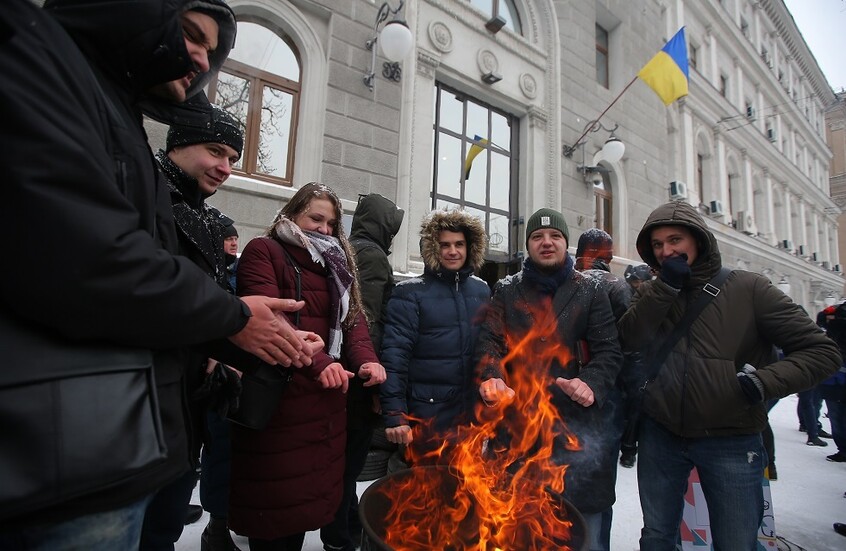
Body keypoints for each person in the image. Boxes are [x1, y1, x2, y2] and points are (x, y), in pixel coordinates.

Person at [0, 1, 313, 548]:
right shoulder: (35, 55)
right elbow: (94, 261)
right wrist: (236, 318)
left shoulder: (119, 122)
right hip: (66, 457)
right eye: (190, 34)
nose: (199, 58)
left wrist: (253, 338)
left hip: (134, 438)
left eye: (234, 157)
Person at [617, 200, 841, 550]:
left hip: (731, 439)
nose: (666, 251)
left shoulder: (749, 289)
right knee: (658, 535)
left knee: (735, 540)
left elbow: (822, 352)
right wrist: (665, 289)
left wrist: (761, 383)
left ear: (699, 240)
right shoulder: (653, 293)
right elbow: (629, 338)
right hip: (662, 435)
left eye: (675, 240)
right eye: (658, 245)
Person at [230, 183, 387, 551]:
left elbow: (354, 323)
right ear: (293, 213)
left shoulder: (337, 263)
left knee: (301, 506)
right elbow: (270, 321)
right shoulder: (264, 251)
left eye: (332, 224)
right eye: (316, 218)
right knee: (273, 509)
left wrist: (367, 361)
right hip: (280, 401)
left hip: (324, 409)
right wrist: (320, 363)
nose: (324, 230)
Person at [476, 208, 624, 551]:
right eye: (537, 237)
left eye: (554, 236)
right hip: (519, 428)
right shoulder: (507, 290)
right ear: (527, 244)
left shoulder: (589, 290)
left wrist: (591, 382)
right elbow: (489, 343)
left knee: (582, 530)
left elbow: (608, 350)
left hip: (576, 429)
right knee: (517, 529)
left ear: (566, 244)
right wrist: (493, 377)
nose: (546, 242)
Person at [147, 104, 246, 551]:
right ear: (178, 144)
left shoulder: (202, 215)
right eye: (216, 151)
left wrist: (218, 355)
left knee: (162, 531)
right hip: (135, 413)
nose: (225, 168)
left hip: (184, 413)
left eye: (232, 159)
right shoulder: (142, 192)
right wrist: (235, 320)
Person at [321, 193, 404, 551]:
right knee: (348, 466)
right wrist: (372, 385)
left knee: (341, 464)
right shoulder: (368, 254)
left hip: (349, 373)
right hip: (358, 379)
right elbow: (363, 318)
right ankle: (340, 536)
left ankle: (345, 530)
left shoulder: (356, 247)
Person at [379, 209, 491, 462]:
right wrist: (395, 413)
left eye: (459, 244)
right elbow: (394, 357)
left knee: (466, 493)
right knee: (428, 493)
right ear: (432, 248)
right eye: (445, 245)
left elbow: (491, 348)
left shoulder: (481, 290)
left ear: (469, 246)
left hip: (471, 418)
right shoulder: (409, 293)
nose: (453, 251)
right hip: (427, 417)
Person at [574, 229, 641, 471]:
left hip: (567, 387)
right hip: (608, 390)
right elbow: (631, 343)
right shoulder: (617, 286)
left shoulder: (562, 283)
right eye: (608, 254)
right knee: (600, 468)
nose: (610, 258)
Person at [818, 304, 846, 463]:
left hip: (837, 376)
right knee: (836, 417)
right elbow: (821, 319)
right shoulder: (838, 310)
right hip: (833, 377)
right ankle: (842, 449)